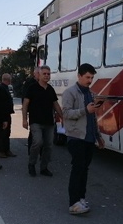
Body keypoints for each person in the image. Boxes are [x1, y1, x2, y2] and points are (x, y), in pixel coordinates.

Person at [61, 63, 105, 214]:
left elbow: (93, 117)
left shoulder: (91, 94)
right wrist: (84, 110)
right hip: (76, 137)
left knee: (84, 170)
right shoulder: (70, 93)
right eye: (87, 77)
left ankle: (81, 198)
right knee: (78, 169)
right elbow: (66, 114)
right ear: (79, 76)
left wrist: (98, 136)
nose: (90, 80)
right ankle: (73, 203)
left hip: (89, 138)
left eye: (92, 77)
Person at [22, 65, 62, 177]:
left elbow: (56, 105)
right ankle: (31, 164)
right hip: (36, 122)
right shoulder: (32, 88)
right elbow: (25, 104)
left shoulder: (50, 89)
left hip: (49, 122)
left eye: (48, 74)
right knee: (37, 142)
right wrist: (24, 119)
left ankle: (44, 167)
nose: (47, 76)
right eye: (44, 74)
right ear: (38, 75)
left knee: (48, 145)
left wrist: (63, 117)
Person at [0, 73, 16, 158]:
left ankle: (6, 150)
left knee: (7, 133)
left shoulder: (5, 88)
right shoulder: (1, 89)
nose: (10, 81)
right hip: (3, 115)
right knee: (3, 134)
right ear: (7, 80)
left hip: (7, 114)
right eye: (9, 80)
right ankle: (0, 151)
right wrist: (4, 118)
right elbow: (2, 104)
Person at [22, 67, 40, 155]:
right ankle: (31, 151)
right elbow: (25, 99)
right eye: (39, 73)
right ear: (35, 74)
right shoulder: (30, 84)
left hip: (41, 112)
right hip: (33, 111)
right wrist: (25, 117)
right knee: (33, 132)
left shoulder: (42, 84)